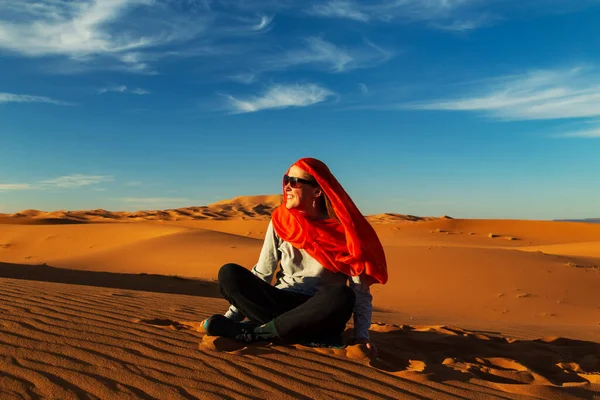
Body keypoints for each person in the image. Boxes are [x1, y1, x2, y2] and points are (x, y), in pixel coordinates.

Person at [203, 157, 387, 349]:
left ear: (317, 190)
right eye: (286, 180)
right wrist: (230, 317)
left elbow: (361, 293)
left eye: (295, 182)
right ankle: (291, 332)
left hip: (319, 310)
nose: (287, 187)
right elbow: (262, 273)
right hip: (280, 304)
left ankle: (257, 333)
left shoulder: (345, 232)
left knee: (343, 295)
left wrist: (361, 336)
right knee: (229, 273)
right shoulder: (280, 221)